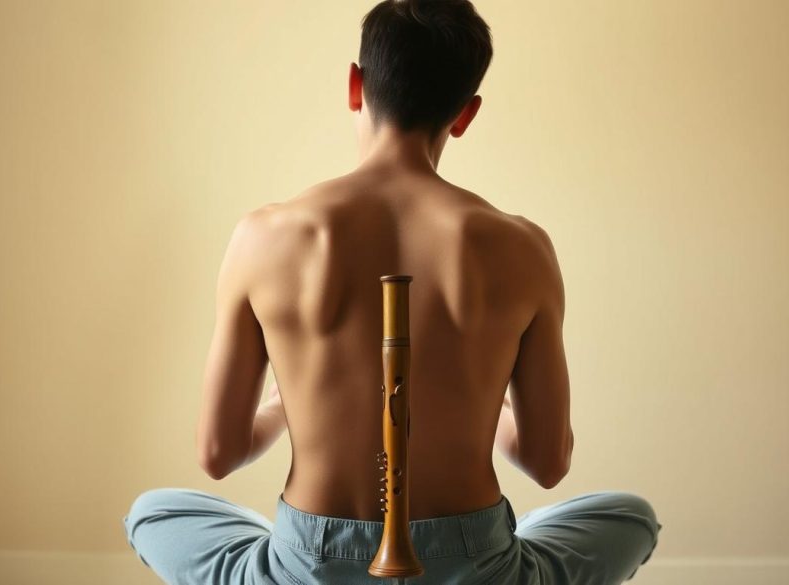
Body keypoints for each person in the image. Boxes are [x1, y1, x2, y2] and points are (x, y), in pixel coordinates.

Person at [123, 1, 661, 583]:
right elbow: (547, 464)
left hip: (311, 562)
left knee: (154, 512)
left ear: (356, 84)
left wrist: (283, 404)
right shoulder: (523, 247)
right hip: (474, 562)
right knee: (630, 517)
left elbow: (218, 455)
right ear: (465, 114)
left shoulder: (264, 236)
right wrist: (491, 405)